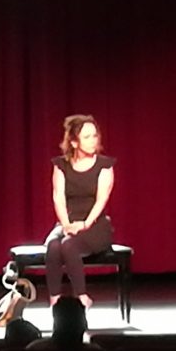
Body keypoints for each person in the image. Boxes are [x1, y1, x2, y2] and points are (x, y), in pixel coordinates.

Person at [45, 114, 116, 309]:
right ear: (74, 142)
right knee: (53, 245)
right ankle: (55, 300)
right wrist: (66, 224)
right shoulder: (61, 165)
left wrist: (84, 224)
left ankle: (82, 297)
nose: (93, 140)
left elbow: (101, 200)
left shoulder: (105, 166)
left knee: (68, 245)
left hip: (95, 225)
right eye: (87, 137)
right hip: (68, 222)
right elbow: (58, 197)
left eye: (94, 135)